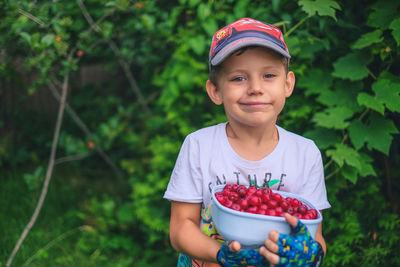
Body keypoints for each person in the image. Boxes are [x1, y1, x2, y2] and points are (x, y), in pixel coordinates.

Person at [163, 17, 331, 267]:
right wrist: (221, 254)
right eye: (238, 78)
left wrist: (310, 255)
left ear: (288, 84)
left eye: (269, 75)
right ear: (215, 91)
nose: (255, 88)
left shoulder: (305, 153)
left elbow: (314, 237)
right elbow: (180, 228)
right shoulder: (199, 145)